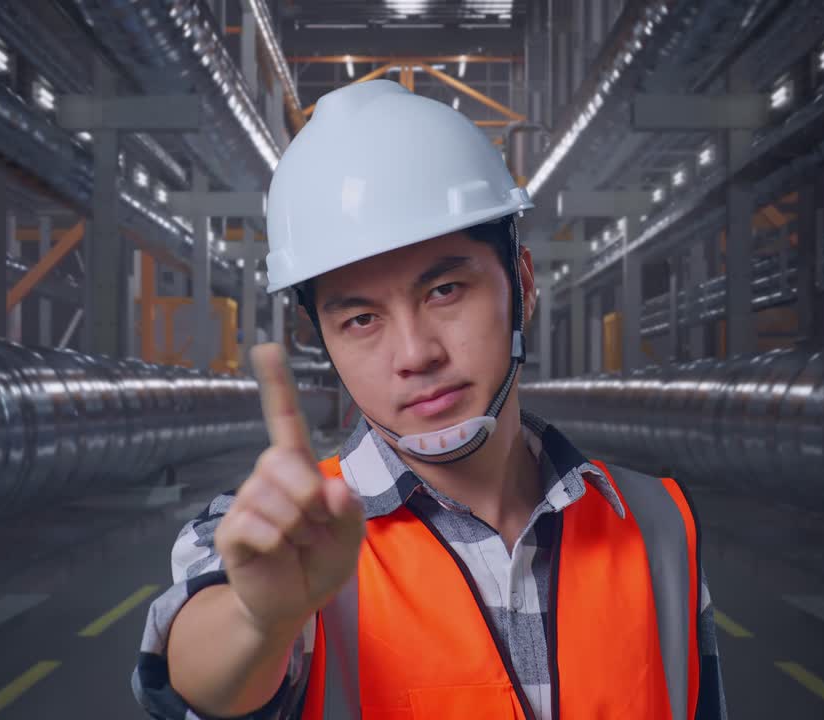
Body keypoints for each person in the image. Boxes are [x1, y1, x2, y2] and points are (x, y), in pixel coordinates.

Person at [132, 79, 727, 719]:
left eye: (444, 290)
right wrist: (259, 620)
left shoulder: (657, 523)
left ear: (521, 285)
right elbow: (199, 677)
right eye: (360, 320)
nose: (414, 354)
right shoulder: (286, 541)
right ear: (326, 340)